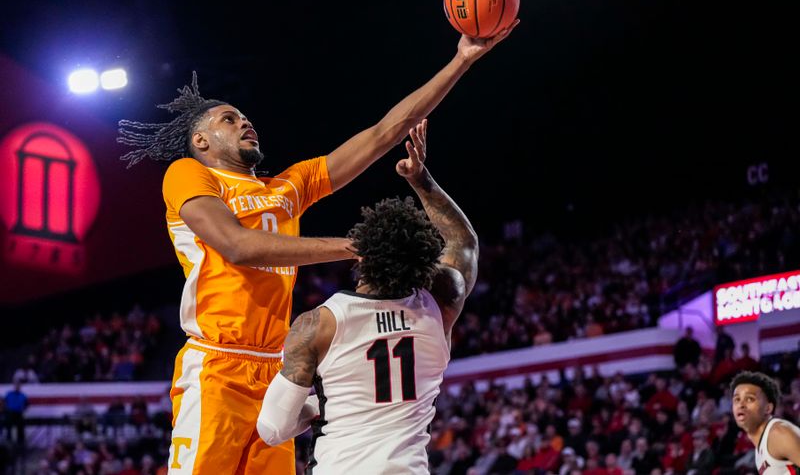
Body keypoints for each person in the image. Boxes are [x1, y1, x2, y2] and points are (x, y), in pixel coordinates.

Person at [117, 23, 516, 474]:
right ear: (201, 141)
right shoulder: (190, 174)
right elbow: (237, 246)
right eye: (229, 118)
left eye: (244, 116)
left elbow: (385, 132)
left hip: (277, 366)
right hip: (217, 365)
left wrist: (461, 60)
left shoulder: (289, 186)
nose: (245, 121)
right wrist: (353, 244)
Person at [256, 120, 478, 473]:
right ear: (423, 261)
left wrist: (318, 406)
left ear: (358, 254)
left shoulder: (319, 324)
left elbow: (272, 429)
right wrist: (421, 180)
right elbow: (463, 243)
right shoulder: (442, 301)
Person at [731, 371, 800, 473]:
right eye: (737, 399)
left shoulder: (778, 433)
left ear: (768, 408)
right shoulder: (760, 448)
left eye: (749, 399)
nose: (741, 405)